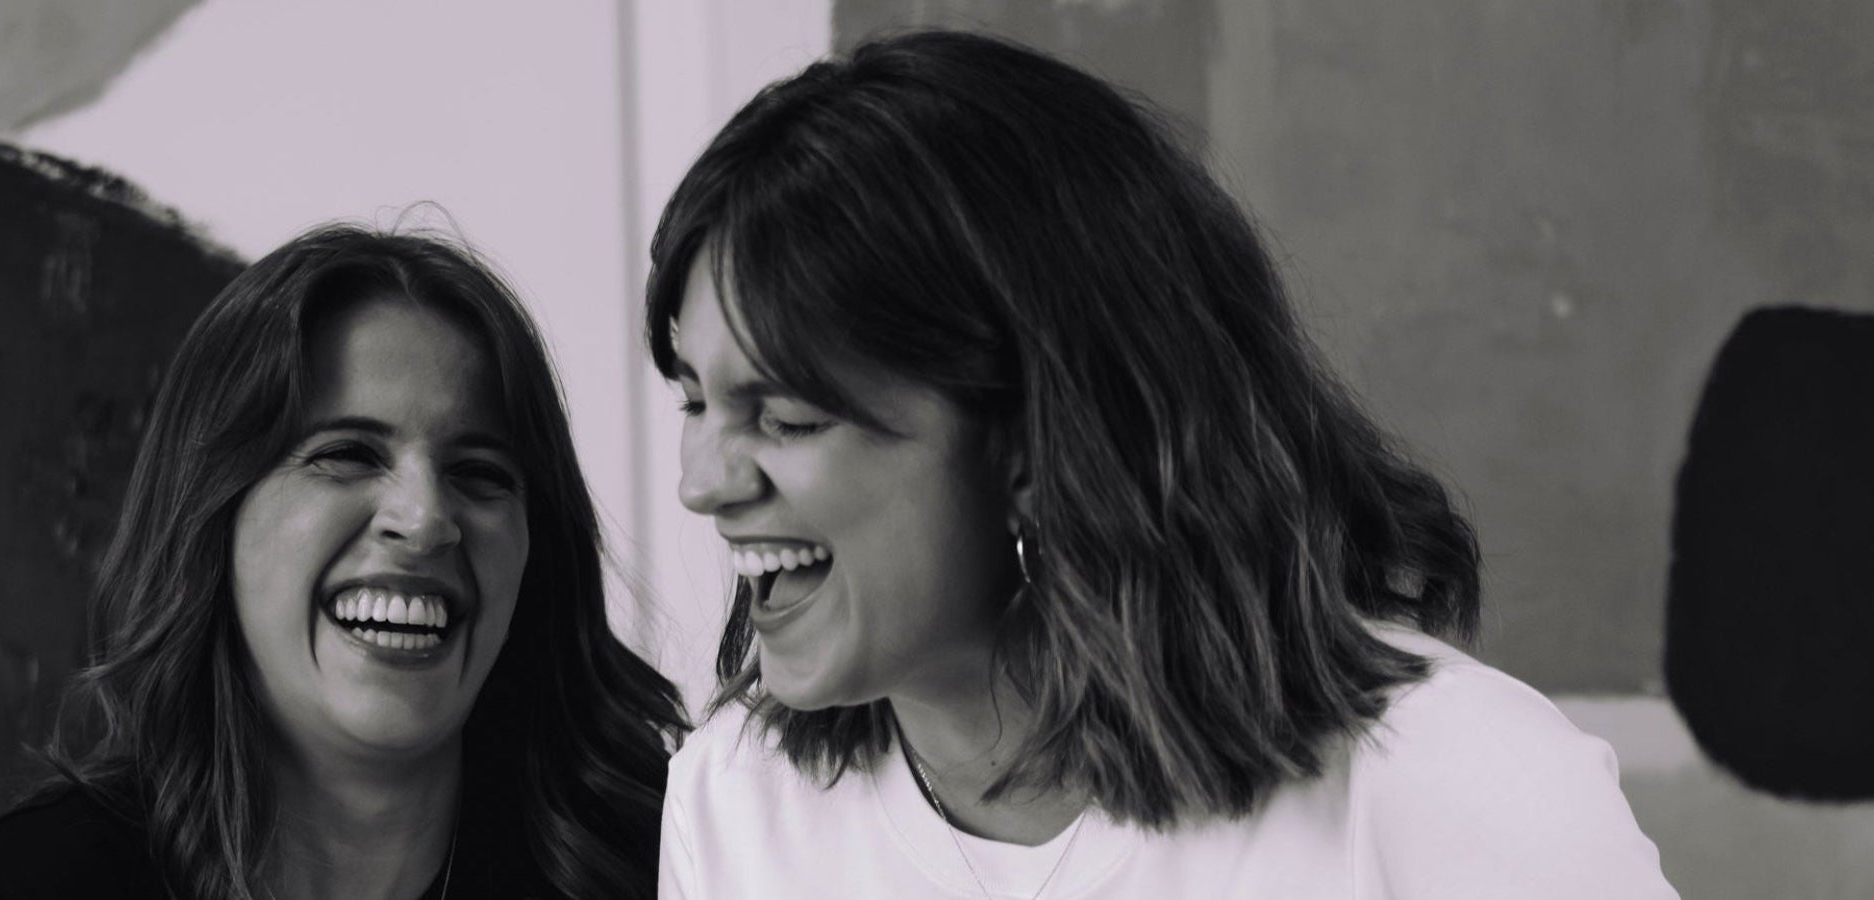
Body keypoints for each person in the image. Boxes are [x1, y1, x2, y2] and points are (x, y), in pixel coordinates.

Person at [647, 31, 1676, 899]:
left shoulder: (1457, 781)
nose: (703, 481)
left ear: (1036, 439)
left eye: (781, 417)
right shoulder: (733, 807)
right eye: (694, 399)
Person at [0, 224, 686, 900]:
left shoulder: (661, 872)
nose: (425, 520)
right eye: (347, 454)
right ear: (211, 515)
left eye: (481, 472)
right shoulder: (23, 890)